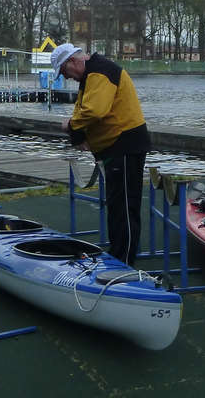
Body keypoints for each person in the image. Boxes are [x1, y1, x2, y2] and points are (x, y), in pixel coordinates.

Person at [52, 42, 150, 265]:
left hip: (124, 146)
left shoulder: (99, 71)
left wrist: (71, 127)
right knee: (117, 204)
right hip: (116, 147)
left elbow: (95, 110)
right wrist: (77, 133)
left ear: (73, 61)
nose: (67, 78)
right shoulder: (92, 75)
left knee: (124, 205)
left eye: (65, 71)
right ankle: (119, 253)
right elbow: (83, 109)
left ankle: (123, 261)